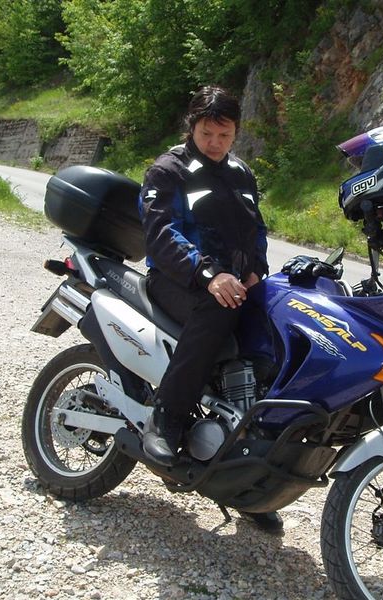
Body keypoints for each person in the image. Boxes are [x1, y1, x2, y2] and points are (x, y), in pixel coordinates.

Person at [138, 86, 281, 532]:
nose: (215, 142)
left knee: (276, 326)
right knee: (218, 311)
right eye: (207, 133)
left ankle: (247, 475)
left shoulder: (240, 173)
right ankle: (167, 417)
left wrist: (255, 270)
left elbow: (256, 230)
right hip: (179, 280)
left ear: (236, 131)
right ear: (192, 127)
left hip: (234, 283)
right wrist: (208, 274)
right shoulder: (169, 170)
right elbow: (161, 234)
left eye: (224, 134)